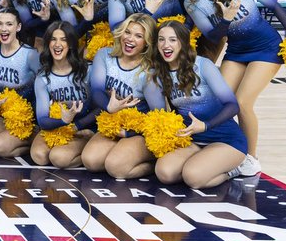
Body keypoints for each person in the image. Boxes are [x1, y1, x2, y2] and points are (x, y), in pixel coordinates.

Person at [183, 0, 286, 176]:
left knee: (243, 103)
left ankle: (251, 158)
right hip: (236, 51)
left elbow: (274, 5)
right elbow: (213, 35)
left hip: (266, 48)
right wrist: (225, 20)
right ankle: (224, 146)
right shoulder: (193, 2)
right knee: (219, 99)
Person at [143, 20, 247, 189]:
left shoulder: (202, 65)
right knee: (165, 173)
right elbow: (162, 114)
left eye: (172, 39)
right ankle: (203, 161)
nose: (165, 45)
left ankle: (234, 168)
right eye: (161, 40)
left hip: (226, 140)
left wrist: (206, 126)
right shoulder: (159, 74)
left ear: (183, 43)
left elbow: (232, 105)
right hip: (192, 140)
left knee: (193, 177)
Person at [81, 13, 158, 179]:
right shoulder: (104, 55)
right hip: (113, 123)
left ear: (147, 43)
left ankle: (156, 165)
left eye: (138, 36)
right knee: (91, 161)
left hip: (139, 131)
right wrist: (110, 107)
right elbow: (96, 90)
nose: (130, 39)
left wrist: (129, 133)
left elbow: (158, 116)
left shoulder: (149, 72)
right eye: (127, 32)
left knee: (116, 168)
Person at [0, 7, 41, 158]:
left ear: (18, 27)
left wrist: (20, 104)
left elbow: (44, 86)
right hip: (4, 114)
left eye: (9, 24)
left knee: (1, 147)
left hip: (27, 117)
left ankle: (33, 138)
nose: (3, 29)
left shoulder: (30, 54)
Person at [30, 21, 97, 168]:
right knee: (39, 156)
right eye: (53, 39)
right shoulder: (43, 78)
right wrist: (63, 121)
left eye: (63, 39)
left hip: (85, 127)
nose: (57, 44)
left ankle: (91, 152)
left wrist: (78, 125)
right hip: (58, 125)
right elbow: (42, 120)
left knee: (59, 158)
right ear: (48, 43)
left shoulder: (88, 70)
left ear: (71, 44)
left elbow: (99, 107)